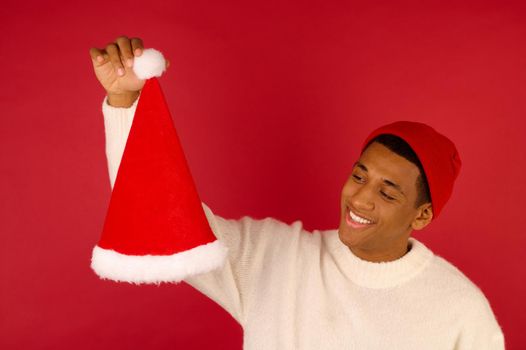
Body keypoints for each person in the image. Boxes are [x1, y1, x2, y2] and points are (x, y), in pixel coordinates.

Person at [89, 36, 506, 349]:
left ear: (422, 215)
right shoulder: (275, 258)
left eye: (389, 192)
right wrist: (125, 101)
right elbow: (161, 215)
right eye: (360, 176)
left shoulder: (460, 310)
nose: (360, 199)